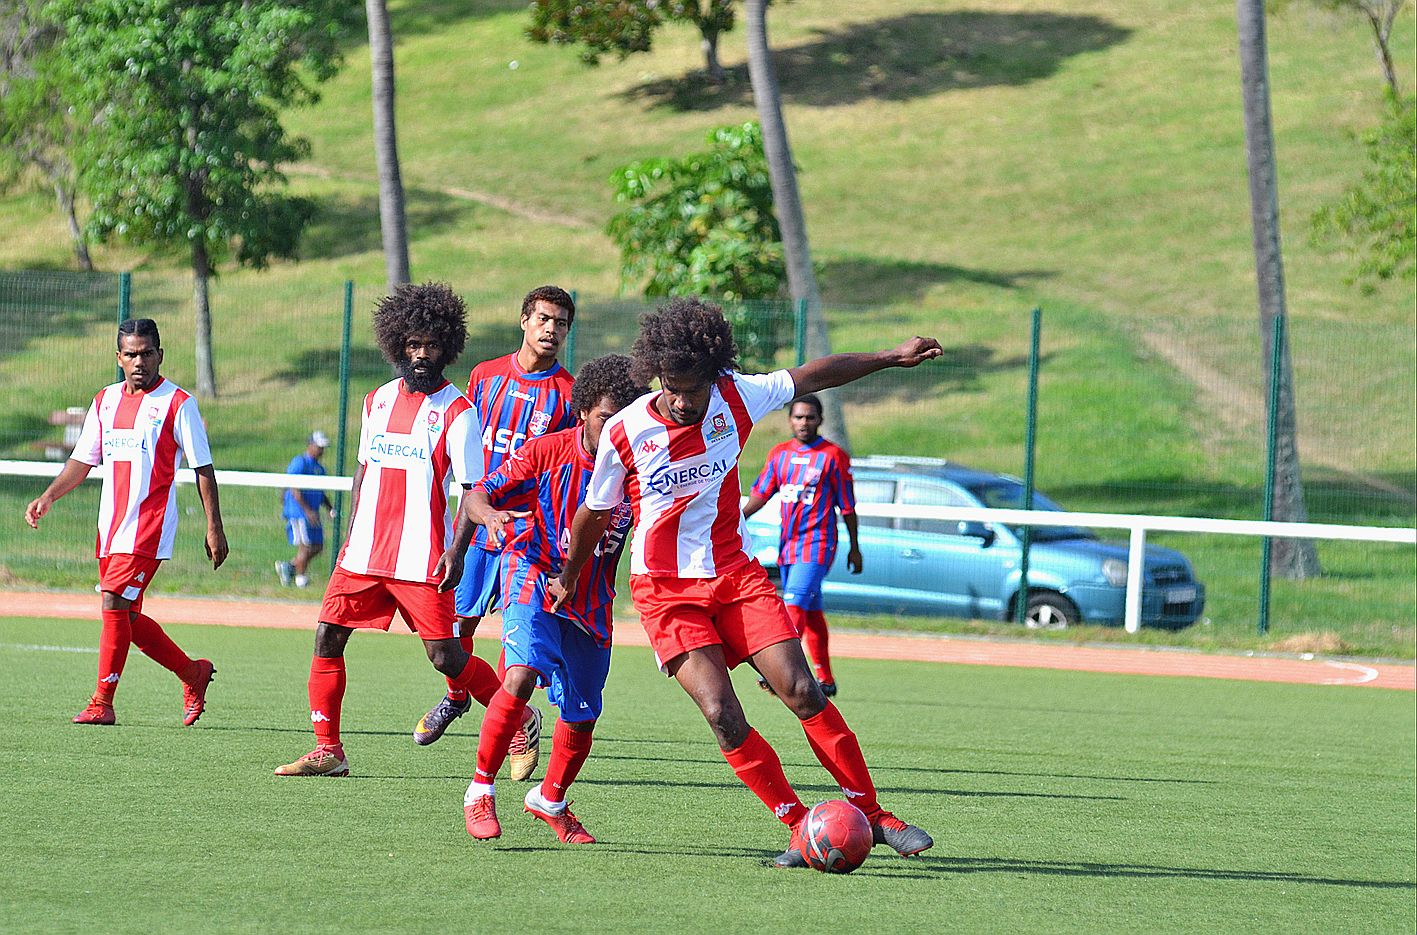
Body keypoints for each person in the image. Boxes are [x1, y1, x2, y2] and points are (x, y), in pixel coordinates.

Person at [551, 298, 939, 867]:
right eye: (673, 388)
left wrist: (888, 357)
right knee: (721, 713)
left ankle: (875, 816)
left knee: (802, 690)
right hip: (664, 593)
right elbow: (594, 512)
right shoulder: (624, 430)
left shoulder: (736, 394)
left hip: (735, 576)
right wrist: (570, 576)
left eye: (695, 388)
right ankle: (800, 824)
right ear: (658, 374)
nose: (684, 401)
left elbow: (816, 373)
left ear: (715, 374)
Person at [274, 282, 503, 778]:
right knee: (327, 637)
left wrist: (457, 553)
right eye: (412, 345)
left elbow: (472, 492)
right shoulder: (376, 400)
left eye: (431, 345)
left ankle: (519, 715)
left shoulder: (459, 413)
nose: (420, 355)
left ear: (447, 347)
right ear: (398, 344)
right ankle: (328, 749)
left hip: (422, 556)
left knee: (445, 657)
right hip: (362, 555)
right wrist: (351, 536)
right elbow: (363, 472)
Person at [458, 354, 646, 844]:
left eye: (623, 422)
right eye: (606, 419)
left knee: (583, 711)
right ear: (583, 411)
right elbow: (480, 493)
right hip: (533, 575)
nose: (615, 432)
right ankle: (480, 790)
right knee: (519, 677)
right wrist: (489, 517)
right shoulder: (548, 451)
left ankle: (551, 799)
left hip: (590, 595)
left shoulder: (638, 468)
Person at [24, 317, 228, 727]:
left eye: (147, 353)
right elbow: (83, 460)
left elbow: (202, 468)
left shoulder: (178, 403)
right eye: (131, 354)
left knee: (113, 602)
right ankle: (192, 672)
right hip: (110, 528)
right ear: (118, 358)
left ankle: (102, 702)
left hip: (149, 526)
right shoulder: (105, 401)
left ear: (160, 355)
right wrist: (48, 496)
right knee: (126, 617)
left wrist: (214, 527)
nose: (140, 361)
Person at [414, 286, 578, 777]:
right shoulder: (485, 376)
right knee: (451, 632)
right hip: (475, 518)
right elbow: (465, 442)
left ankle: (516, 728)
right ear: (524, 321)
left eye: (561, 323)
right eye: (544, 319)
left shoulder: (569, 393)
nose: (551, 330)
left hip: (525, 530)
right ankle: (458, 696)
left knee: (514, 635)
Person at [743, 394, 860, 696]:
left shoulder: (833, 456)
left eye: (810, 417)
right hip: (789, 546)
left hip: (818, 545)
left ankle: (778, 672)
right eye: (798, 417)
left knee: (793, 605)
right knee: (811, 612)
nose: (804, 422)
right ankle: (826, 678)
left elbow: (847, 507)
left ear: (820, 420)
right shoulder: (780, 454)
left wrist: (855, 548)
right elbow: (761, 493)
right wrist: (736, 518)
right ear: (790, 420)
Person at [276, 430, 333, 588]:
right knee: (305, 545)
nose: (322, 451)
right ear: (310, 445)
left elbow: (321, 493)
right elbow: (294, 488)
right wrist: (307, 510)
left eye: (323, 448)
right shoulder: (300, 462)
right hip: (299, 512)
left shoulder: (320, 469)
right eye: (319, 446)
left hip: (312, 513)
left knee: (318, 546)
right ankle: (300, 578)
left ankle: (289, 567)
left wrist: (329, 508)